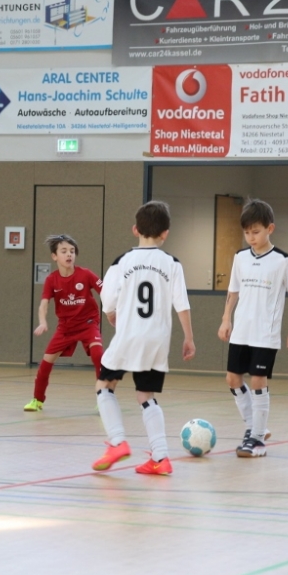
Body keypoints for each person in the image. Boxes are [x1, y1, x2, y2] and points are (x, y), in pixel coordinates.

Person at [91, 201, 195, 475]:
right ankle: (161, 458)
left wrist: (111, 314)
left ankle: (117, 443)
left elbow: (107, 300)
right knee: (145, 394)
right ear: (165, 233)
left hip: (129, 335)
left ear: (135, 229)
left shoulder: (122, 262)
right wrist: (189, 338)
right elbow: (182, 304)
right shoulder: (172, 263)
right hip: (157, 340)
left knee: (104, 385)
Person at [218, 199, 288, 458]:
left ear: (270, 228)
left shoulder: (282, 261)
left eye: (255, 232)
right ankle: (255, 428)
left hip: (265, 334)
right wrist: (226, 318)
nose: (251, 237)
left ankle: (256, 439)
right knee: (232, 379)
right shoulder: (240, 258)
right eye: (247, 233)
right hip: (241, 331)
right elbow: (233, 290)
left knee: (257, 380)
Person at [25, 234, 104, 412]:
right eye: (64, 251)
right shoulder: (52, 280)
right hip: (65, 328)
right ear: (54, 256)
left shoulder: (86, 274)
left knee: (98, 355)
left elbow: (106, 292)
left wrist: (114, 311)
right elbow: (44, 304)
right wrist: (43, 322)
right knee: (45, 363)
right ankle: (37, 400)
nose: (69, 254)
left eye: (72, 251)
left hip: (88, 323)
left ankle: (104, 400)